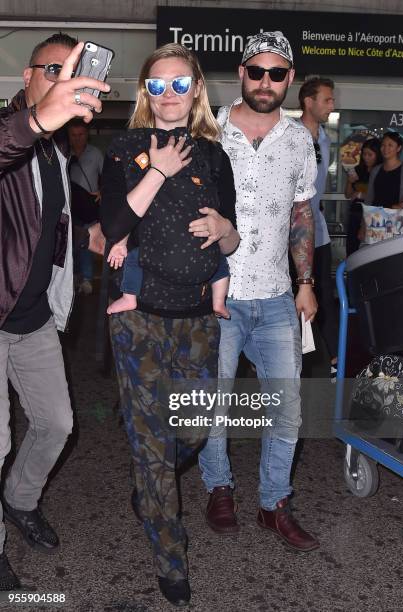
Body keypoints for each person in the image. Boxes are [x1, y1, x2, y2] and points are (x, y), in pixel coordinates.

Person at [100, 43, 239, 606]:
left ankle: (149, 488)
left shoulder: (214, 155)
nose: (169, 96)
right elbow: (112, 224)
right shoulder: (128, 147)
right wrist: (156, 170)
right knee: (153, 451)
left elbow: (232, 240)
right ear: (145, 94)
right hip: (141, 323)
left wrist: (224, 228)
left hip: (200, 320)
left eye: (180, 84)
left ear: (197, 89)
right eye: (157, 86)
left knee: (195, 432)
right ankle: (170, 557)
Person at [198, 31, 320, 552]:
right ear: (240, 74)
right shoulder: (209, 131)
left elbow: (301, 215)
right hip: (214, 293)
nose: (265, 82)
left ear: (289, 80)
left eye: (276, 73)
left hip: (275, 297)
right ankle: (218, 487)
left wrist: (306, 283)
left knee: (286, 407)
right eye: (256, 71)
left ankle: (274, 503)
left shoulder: (298, 141)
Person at [0, 33, 110, 590]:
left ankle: (18, 501)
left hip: (34, 316)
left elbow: (49, 219)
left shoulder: (54, 150)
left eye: (74, 74)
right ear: (27, 76)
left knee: (57, 426)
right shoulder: (16, 131)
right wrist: (38, 122)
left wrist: (92, 233)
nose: (63, 82)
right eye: (53, 69)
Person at [299, 76, 339, 381]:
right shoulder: (290, 136)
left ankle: (329, 359)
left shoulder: (325, 139)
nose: (332, 105)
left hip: (320, 232)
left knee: (324, 295)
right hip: (295, 235)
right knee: (297, 296)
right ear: (308, 102)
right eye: (327, 99)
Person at [105, 237, 231, 318]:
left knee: (133, 257)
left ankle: (129, 298)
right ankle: (218, 302)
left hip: (170, 242)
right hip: (199, 247)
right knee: (219, 259)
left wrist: (121, 243)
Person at [68, 120, 104, 295]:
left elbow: (108, 177)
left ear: (87, 134)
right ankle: (73, 278)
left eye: (81, 135)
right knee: (69, 245)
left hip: (88, 206)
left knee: (87, 243)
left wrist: (102, 192)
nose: (77, 139)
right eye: (74, 135)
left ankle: (87, 279)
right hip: (69, 206)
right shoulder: (64, 153)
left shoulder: (95, 154)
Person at [344, 138, 382, 254]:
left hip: (372, 216)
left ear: (378, 155)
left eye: (370, 154)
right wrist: (350, 182)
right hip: (355, 213)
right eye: (364, 154)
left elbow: (380, 196)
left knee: (368, 251)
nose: (366, 157)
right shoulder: (358, 170)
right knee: (352, 248)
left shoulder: (381, 171)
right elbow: (348, 195)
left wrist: (361, 194)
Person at [366, 131, 403, 209]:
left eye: (390, 145)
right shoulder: (375, 170)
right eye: (383, 145)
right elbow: (369, 196)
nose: (385, 148)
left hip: (397, 218)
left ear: (398, 148)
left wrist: (402, 204)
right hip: (376, 217)